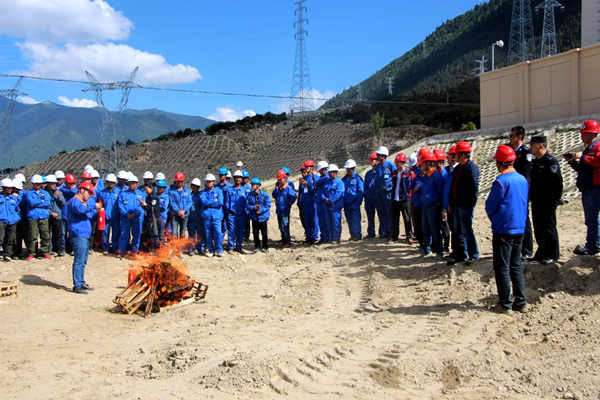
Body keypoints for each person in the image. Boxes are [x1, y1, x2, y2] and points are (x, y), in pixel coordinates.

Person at [485, 145, 529, 313]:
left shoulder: (501, 181)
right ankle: (521, 301)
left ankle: (505, 303)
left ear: (499, 163)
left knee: (502, 267)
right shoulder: (522, 179)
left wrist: (494, 218)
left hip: (503, 228)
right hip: (519, 227)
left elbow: (490, 205)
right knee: (516, 265)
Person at [565, 120, 600, 255]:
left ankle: (593, 246)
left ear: (592, 134)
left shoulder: (597, 148)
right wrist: (573, 162)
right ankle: (593, 244)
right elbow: (583, 169)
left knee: (592, 219)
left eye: (584, 133)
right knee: (590, 219)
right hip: (587, 189)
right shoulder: (588, 149)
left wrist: (582, 157)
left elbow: (598, 162)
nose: (582, 136)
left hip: (594, 189)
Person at [529, 136, 562, 265]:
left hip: (547, 200)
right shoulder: (536, 162)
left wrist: (555, 199)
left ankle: (552, 254)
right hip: (537, 200)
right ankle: (542, 252)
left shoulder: (551, 161)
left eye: (533, 145)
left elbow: (557, 181)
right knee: (538, 227)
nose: (530, 148)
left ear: (540, 146)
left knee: (549, 227)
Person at [448, 141, 480, 265]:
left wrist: (468, 204)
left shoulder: (471, 168)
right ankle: (461, 254)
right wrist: (452, 202)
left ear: (462, 155)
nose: (454, 156)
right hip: (457, 205)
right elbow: (453, 186)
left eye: (456, 154)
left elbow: (473, 188)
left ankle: (473, 254)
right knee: (458, 232)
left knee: (467, 230)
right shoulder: (458, 168)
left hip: (465, 205)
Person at [67, 182, 101, 294]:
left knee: (83, 260)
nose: (90, 196)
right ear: (82, 191)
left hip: (84, 235)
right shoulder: (74, 201)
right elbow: (80, 210)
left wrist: (94, 210)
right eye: (89, 193)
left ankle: (81, 282)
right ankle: (77, 285)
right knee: (79, 260)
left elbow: (87, 214)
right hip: (78, 235)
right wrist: (93, 206)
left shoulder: (83, 203)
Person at [508, 126, 534, 260]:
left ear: (519, 137)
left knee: (524, 219)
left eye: (512, 136)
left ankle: (527, 249)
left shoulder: (525, 153)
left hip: (522, 190)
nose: (510, 139)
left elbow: (526, 173)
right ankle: (516, 248)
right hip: (511, 190)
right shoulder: (510, 151)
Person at [420, 150, 445, 258]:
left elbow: (441, 192)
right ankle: (427, 250)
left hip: (434, 206)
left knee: (435, 229)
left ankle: (439, 251)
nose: (421, 165)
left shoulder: (437, 176)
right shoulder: (426, 176)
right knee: (425, 228)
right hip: (425, 206)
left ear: (428, 163)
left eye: (422, 163)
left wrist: (433, 200)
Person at [24, 175, 51, 260]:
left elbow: (47, 203)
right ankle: (31, 253)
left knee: (45, 234)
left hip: (43, 216)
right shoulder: (28, 193)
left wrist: (36, 203)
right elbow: (30, 203)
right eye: (36, 183)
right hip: (33, 216)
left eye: (39, 183)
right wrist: (41, 201)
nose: (38, 185)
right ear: (33, 183)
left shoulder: (46, 193)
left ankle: (44, 252)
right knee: (32, 235)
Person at [116, 175, 144, 258]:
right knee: (124, 234)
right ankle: (121, 251)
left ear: (137, 184)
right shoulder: (123, 194)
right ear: (128, 184)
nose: (132, 185)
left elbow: (142, 206)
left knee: (136, 235)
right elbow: (120, 205)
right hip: (125, 218)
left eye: (134, 183)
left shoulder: (141, 194)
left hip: (137, 218)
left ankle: (134, 252)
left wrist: (134, 214)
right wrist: (126, 214)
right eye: (130, 183)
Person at [390, 153, 414, 244]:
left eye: (398, 162)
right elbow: (393, 184)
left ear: (403, 162)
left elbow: (410, 186)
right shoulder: (394, 173)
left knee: (407, 218)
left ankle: (409, 236)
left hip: (405, 199)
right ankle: (394, 236)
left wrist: (407, 178)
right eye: (396, 162)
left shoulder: (408, 173)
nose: (396, 164)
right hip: (395, 199)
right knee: (394, 218)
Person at [199, 174, 224, 257]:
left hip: (217, 216)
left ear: (214, 182)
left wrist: (209, 203)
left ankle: (219, 250)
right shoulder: (202, 193)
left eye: (210, 181)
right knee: (208, 233)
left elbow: (220, 203)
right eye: (207, 181)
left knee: (218, 233)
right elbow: (203, 202)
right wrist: (214, 202)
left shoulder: (218, 191)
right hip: (207, 217)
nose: (209, 183)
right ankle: (211, 250)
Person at [374, 146, 397, 238]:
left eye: (378, 155)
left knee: (389, 213)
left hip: (388, 193)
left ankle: (391, 232)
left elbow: (395, 178)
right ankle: (385, 231)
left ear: (383, 156)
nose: (377, 156)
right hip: (380, 193)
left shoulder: (391, 165)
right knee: (382, 213)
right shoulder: (378, 167)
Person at [225, 170, 248, 253]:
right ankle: (231, 247)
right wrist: (228, 212)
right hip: (232, 215)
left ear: (242, 179)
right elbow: (227, 202)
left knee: (240, 231)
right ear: (234, 179)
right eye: (236, 178)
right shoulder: (230, 190)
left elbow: (247, 202)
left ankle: (238, 246)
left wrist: (246, 212)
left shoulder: (245, 190)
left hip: (242, 214)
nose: (238, 179)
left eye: (239, 178)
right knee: (231, 231)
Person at [273, 169, 297, 248]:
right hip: (279, 210)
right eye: (278, 180)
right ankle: (283, 241)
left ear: (285, 178)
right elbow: (274, 195)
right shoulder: (279, 188)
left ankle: (288, 242)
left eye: (281, 179)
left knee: (285, 226)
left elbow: (294, 196)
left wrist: (289, 204)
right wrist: (276, 188)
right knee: (280, 227)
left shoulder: (288, 188)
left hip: (285, 211)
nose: (279, 181)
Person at [97, 174, 120, 255]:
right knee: (105, 233)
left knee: (116, 233)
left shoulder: (119, 192)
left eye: (112, 182)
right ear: (106, 182)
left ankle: (114, 248)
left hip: (115, 217)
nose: (111, 184)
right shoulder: (102, 193)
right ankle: (106, 248)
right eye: (109, 182)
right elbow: (100, 203)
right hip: (105, 217)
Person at [246, 177, 271, 253]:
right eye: (252, 184)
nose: (252, 186)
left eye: (253, 184)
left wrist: (260, 210)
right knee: (255, 234)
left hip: (262, 217)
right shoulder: (249, 195)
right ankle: (257, 246)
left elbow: (268, 205)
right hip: (254, 217)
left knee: (264, 233)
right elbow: (247, 205)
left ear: (258, 185)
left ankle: (265, 246)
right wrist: (253, 208)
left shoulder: (265, 195)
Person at [342, 159, 364, 241]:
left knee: (355, 219)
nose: (348, 170)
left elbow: (360, 191)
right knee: (349, 220)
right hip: (347, 204)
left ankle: (357, 235)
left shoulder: (358, 178)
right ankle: (352, 235)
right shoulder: (344, 179)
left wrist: (358, 202)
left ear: (353, 168)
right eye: (347, 168)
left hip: (354, 203)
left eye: (349, 168)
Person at [323, 164, 345, 244]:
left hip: (335, 206)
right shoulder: (327, 182)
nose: (329, 174)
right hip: (327, 206)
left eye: (331, 172)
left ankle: (336, 238)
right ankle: (330, 237)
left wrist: (330, 200)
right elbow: (323, 191)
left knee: (336, 223)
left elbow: (339, 193)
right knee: (329, 223)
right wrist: (324, 198)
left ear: (335, 173)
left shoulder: (339, 182)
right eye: (329, 172)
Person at [45, 175, 66, 257]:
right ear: (48, 184)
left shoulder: (59, 192)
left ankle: (60, 250)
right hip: (48, 216)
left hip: (58, 216)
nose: (54, 185)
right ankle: (49, 249)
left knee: (59, 234)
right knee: (47, 234)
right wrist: (50, 213)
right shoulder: (44, 193)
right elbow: (43, 206)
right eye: (52, 183)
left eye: (55, 183)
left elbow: (64, 203)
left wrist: (59, 197)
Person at [443, 146, 458, 259]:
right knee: (453, 228)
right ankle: (455, 251)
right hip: (449, 204)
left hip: (455, 205)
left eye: (449, 156)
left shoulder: (457, 170)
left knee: (457, 229)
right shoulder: (450, 170)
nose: (447, 158)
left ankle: (459, 251)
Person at [298, 164, 319, 244]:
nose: (304, 172)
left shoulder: (314, 177)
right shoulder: (304, 179)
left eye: (306, 169)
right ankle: (309, 237)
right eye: (303, 171)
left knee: (314, 220)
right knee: (307, 221)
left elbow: (314, 189)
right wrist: (301, 184)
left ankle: (315, 237)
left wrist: (308, 184)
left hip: (312, 203)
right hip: (305, 204)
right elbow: (301, 191)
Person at [434, 149, 450, 253]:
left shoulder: (445, 175)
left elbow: (447, 191)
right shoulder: (436, 174)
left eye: (434, 161)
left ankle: (446, 246)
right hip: (436, 203)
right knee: (437, 225)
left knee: (444, 226)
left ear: (440, 162)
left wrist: (445, 206)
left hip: (443, 204)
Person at [0, 178, 20, 261]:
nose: (10, 189)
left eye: (11, 188)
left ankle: (7, 254)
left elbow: (17, 209)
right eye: (9, 188)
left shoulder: (14, 198)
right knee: (0, 239)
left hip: (12, 221)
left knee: (10, 239)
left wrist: (16, 217)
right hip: (1, 221)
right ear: (4, 188)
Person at [169, 172, 192, 238]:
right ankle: (175, 247)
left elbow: (189, 202)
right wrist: (178, 211)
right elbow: (172, 202)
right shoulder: (171, 191)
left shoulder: (187, 191)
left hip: (184, 215)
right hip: (175, 215)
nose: (178, 183)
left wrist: (184, 211)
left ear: (182, 181)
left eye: (180, 181)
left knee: (183, 233)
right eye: (177, 181)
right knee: (174, 234)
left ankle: (181, 247)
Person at [140, 183, 161, 252]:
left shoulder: (153, 197)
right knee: (148, 234)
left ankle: (154, 249)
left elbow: (153, 208)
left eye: (147, 189)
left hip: (154, 218)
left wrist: (146, 205)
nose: (145, 191)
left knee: (153, 234)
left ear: (151, 188)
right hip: (149, 218)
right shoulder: (148, 196)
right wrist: (144, 206)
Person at [411, 152, 425, 250]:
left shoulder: (430, 176)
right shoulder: (416, 175)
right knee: (418, 225)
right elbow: (411, 186)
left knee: (425, 226)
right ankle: (422, 244)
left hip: (423, 204)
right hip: (415, 203)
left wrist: (419, 187)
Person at [187, 178, 204, 256]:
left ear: (198, 187)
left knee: (200, 235)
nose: (194, 187)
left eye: (196, 186)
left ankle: (200, 248)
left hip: (200, 219)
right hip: (191, 219)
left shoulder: (201, 196)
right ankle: (191, 249)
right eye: (193, 185)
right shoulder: (189, 196)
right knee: (191, 235)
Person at [364, 152, 379, 239]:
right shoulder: (368, 173)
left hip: (377, 197)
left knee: (381, 215)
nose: (371, 162)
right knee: (370, 216)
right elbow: (365, 185)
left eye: (372, 160)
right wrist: (366, 194)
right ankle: (371, 232)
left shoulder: (379, 172)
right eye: (370, 160)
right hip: (369, 198)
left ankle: (383, 232)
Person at [315, 161, 330, 244]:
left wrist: (315, 176)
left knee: (325, 221)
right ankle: (323, 237)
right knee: (321, 221)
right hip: (319, 202)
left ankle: (327, 237)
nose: (320, 172)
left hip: (324, 202)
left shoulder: (326, 178)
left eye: (321, 170)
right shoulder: (321, 178)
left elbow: (317, 182)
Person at [241, 170, 252, 242]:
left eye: (246, 178)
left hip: (247, 209)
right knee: (240, 224)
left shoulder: (250, 187)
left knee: (247, 223)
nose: (244, 179)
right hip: (240, 208)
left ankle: (247, 236)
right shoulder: (239, 187)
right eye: (243, 177)